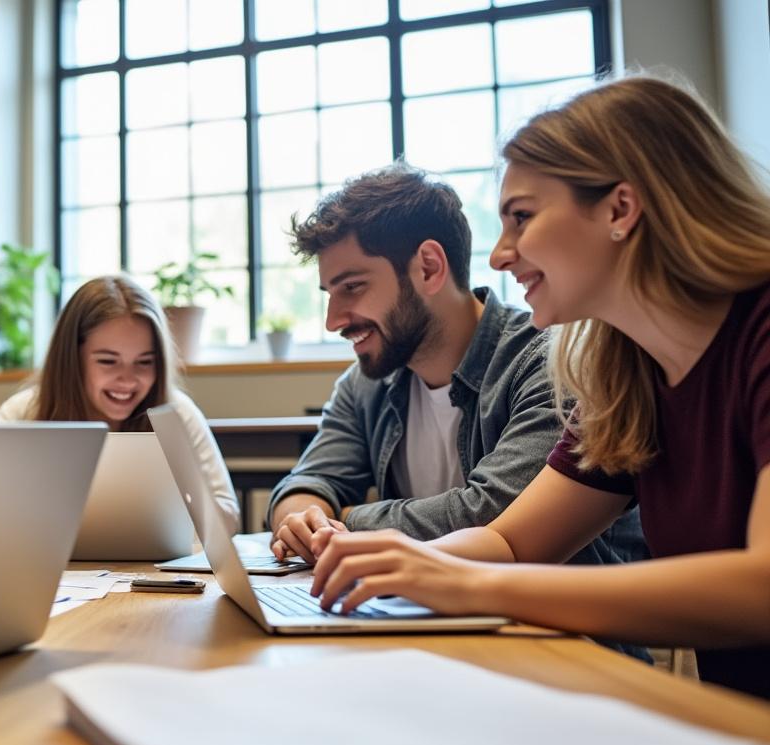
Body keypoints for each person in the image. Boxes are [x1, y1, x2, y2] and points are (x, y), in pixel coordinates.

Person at [306, 76, 770, 700]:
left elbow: (762, 586)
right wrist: (409, 562)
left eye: (521, 217)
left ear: (620, 210)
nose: (500, 256)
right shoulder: (625, 374)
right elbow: (508, 539)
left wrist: (461, 581)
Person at [268, 164, 643, 569]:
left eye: (352, 287)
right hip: (426, 602)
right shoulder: (365, 383)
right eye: (329, 293)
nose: (333, 320)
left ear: (429, 267)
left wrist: (344, 520)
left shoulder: (549, 362)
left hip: (560, 609)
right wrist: (302, 518)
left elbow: (489, 518)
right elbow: (307, 483)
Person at [0, 275, 239, 526]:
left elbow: (229, 517)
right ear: (71, 359)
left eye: (145, 362)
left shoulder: (177, 412)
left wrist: (176, 500)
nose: (128, 380)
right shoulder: (21, 414)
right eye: (108, 361)